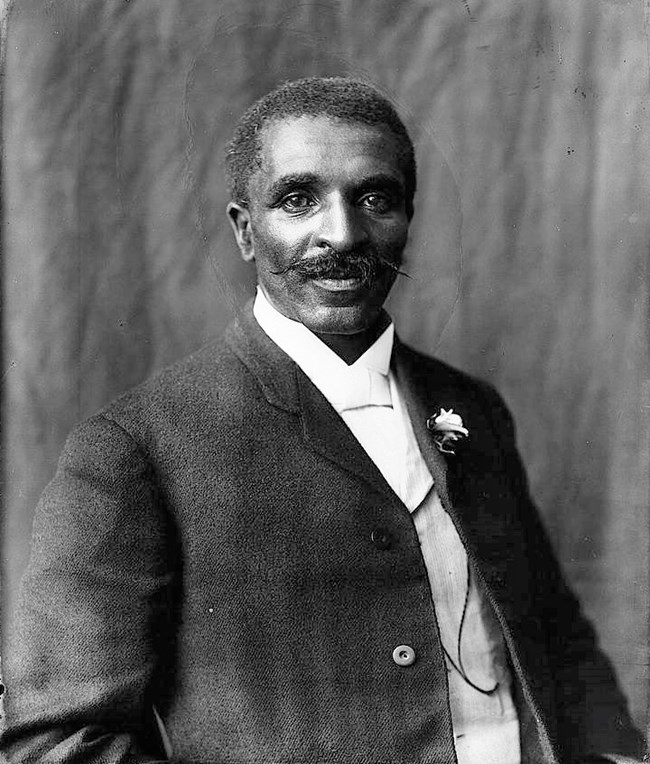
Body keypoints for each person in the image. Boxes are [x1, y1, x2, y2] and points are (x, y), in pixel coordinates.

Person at [0, 77, 645, 764]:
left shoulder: (472, 407)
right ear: (247, 231)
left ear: (407, 220)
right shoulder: (136, 449)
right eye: (298, 199)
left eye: (375, 198)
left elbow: (553, 636)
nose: (342, 232)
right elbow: (58, 743)